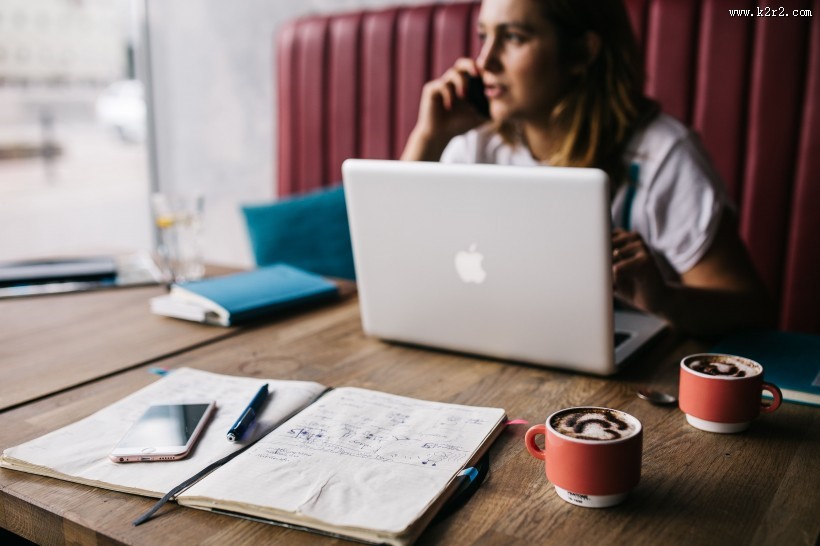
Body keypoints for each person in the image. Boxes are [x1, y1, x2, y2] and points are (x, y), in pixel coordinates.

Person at [401, 0, 773, 336]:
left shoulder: (660, 156)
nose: (485, 62)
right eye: (484, 35)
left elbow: (753, 311)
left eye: (513, 37)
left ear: (581, 52)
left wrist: (663, 299)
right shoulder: (475, 146)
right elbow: (396, 262)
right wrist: (427, 138)